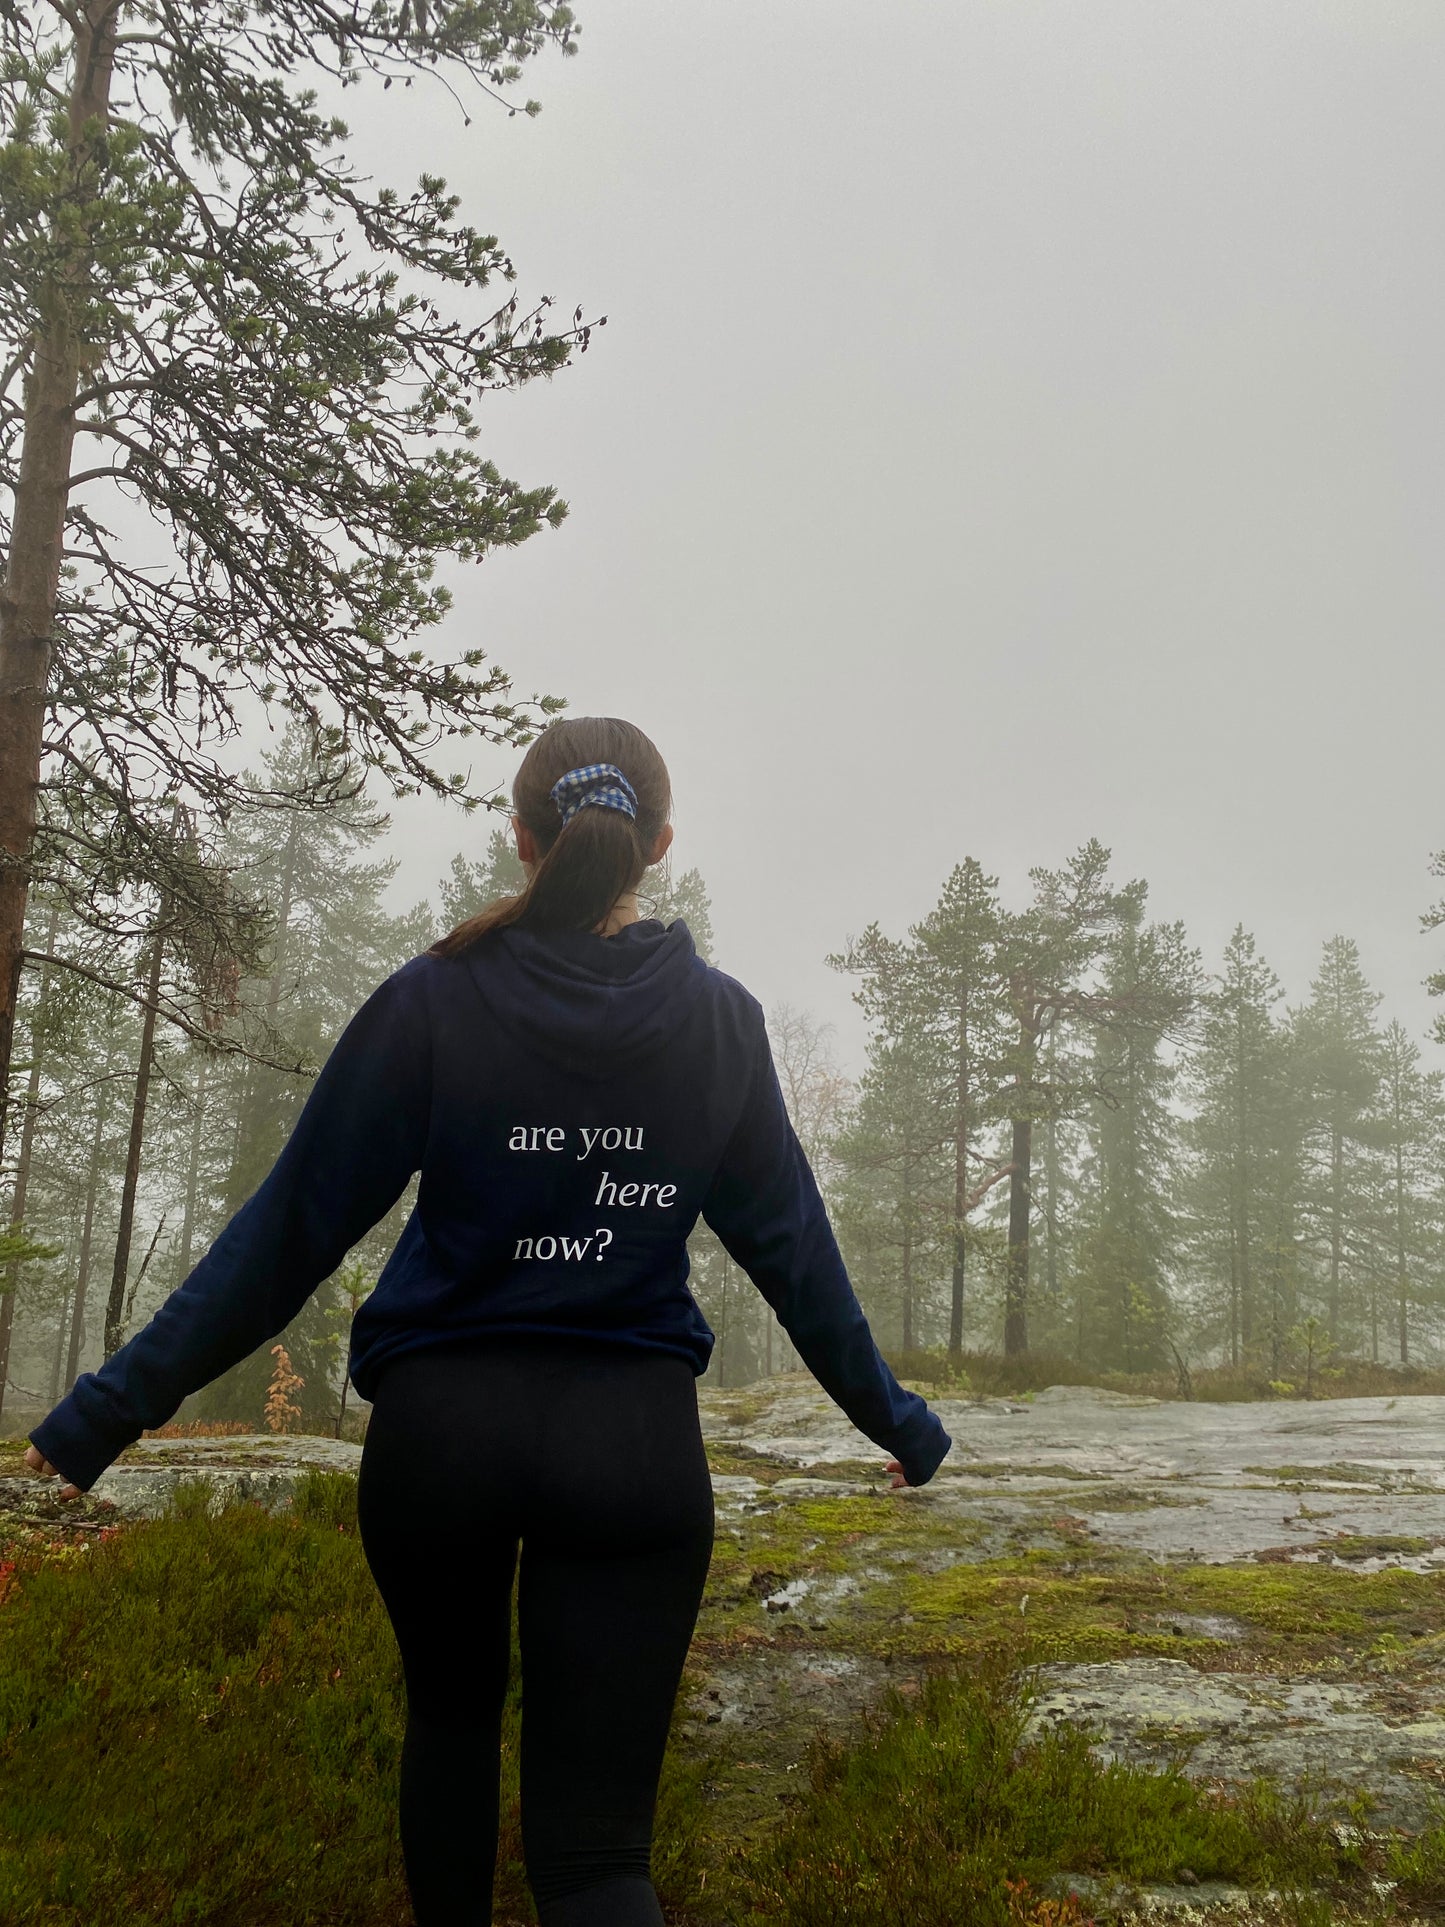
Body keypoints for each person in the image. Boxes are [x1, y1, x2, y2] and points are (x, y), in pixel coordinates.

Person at [25, 715, 953, 1926]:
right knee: (599, 1859)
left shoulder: (431, 999)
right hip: (631, 1450)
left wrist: (103, 1415)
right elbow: (791, 1251)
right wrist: (898, 1421)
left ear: (521, 839)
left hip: (442, 1443)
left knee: (451, 1726)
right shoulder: (719, 1020)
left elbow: (289, 1232)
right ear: (656, 846)